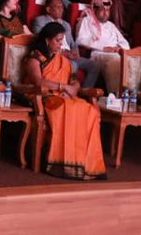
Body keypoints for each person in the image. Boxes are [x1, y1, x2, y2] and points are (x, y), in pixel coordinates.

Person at [23, 21, 107, 180]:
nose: (61, 44)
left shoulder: (62, 60)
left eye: (62, 40)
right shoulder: (35, 57)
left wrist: (73, 87)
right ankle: (63, 163)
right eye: (58, 40)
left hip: (64, 96)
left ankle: (85, 164)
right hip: (44, 96)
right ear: (47, 40)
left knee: (88, 110)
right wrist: (63, 87)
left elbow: (74, 81)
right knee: (67, 108)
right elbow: (38, 81)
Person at [31, 0, 98, 89]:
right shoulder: (40, 21)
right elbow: (41, 40)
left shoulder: (66, 24)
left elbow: (73, 43)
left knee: (94, 66)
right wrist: (62, 53)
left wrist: (75, 52)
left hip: (70, 55)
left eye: (62, 7)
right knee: (72, 65)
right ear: (48, 9)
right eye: (57, 7)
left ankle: (85, 91)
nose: (61, 10)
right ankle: (66, 89)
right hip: (55, 54)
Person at [74, 0, 130, 93]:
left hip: (115, 53)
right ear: (95, 9)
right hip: (97, 54)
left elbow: (124, 42)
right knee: (116, 62)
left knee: (130, 61)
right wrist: (103, 48)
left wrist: (119, 49)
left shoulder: (111, 25)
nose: (105, 13)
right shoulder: (86, 21)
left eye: (107, 10)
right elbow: (80, 40)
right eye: (102, 10)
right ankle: (116, 94)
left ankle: (132, 94)